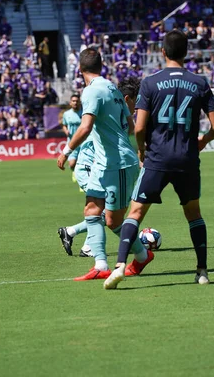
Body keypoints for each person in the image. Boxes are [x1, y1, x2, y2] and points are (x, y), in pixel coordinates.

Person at [103, 30, 214, 290]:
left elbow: (138, 127)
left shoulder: (150, 82)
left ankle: (120, 267)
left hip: (158, 158)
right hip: (187, 160)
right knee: (194, 215)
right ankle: (202, 271)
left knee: (134, 213)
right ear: (187, 52)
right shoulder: (200, 82)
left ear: (163, 52)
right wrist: (201, 142)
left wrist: (142, 150)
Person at [57, 51, 148, 281]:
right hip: (103, 162)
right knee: (91, 210)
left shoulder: (91, 91)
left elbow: (85, 127)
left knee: (112, 221)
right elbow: (129, 124)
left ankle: (142, 255)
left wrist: (66, 150)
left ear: (80, 70)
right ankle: (100, 265)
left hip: (117, 163)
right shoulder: (113, 88)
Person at [61, 94, 82, 173]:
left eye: (77, 101)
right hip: (71, 142)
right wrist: (66, 130)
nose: (75, 103)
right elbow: (64, 125)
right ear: (70, 103)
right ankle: (74, 172)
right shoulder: (66, 114)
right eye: (73, 101)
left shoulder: (84, 113)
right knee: (72, 164)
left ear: (79, 102)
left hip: (83, 142)